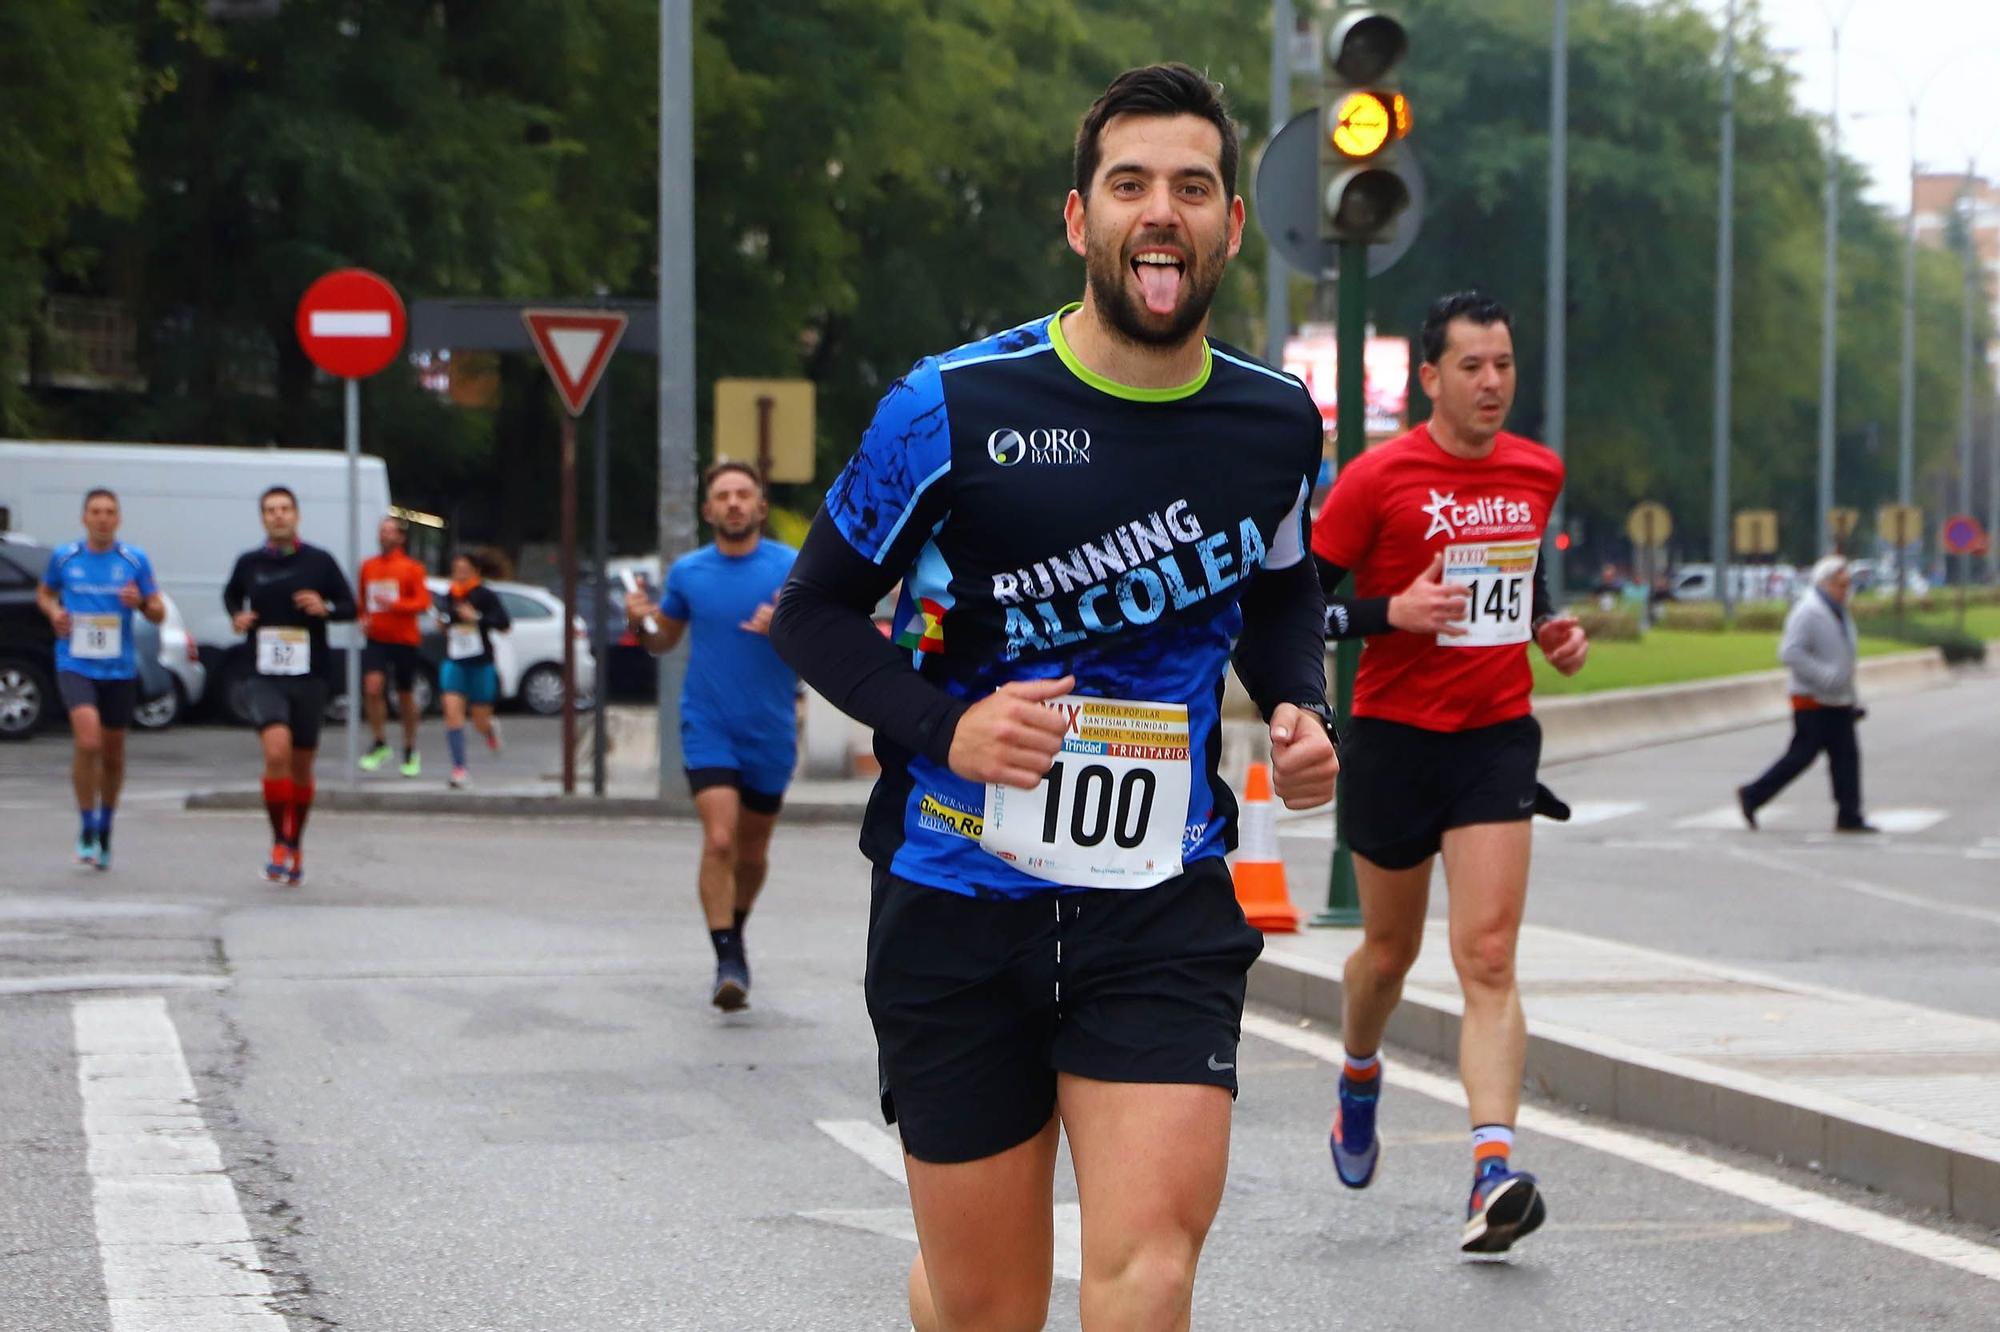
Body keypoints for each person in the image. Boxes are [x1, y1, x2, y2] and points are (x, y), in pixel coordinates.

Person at [770, 64, 1337, 1331]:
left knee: (1143, 1285)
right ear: (1078, 220)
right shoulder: (950, 408)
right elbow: (810, 614)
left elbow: (1284, 589)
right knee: (986, 1308)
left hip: (1160, 906)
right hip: (959, 896)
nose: (1161, 212)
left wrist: (1299, 706)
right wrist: (945, 727)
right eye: (1128, 184)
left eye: (1192, 188)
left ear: (1230, 226)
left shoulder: (1274, 424)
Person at [1310, 291, 1589, 1255]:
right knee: (1388, 958)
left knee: (1491, 956)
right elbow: (1299, 610)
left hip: (1494, 736)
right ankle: (1357, 1070)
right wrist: (1392, 615)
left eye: (1504, 365)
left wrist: (1552, 627)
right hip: (1394, 737)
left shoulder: (1537, 470)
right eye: (1472, 367)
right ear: (1430, 377)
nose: (1492, 384)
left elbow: (1524, 581)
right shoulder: (1375, 480)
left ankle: (1491, 1171)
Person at [624, 461, 799, 1013]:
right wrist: (640, 622)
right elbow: (661, 639)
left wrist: (786, 628)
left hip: (770, 729)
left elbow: (826, 641)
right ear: (708, 510)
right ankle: (726, 957)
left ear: (760, 506)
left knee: (752, 850)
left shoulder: (792, 568)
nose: (733, 503)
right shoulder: (689, 572)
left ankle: (736, 930)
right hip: (708, 723)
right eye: (722, 495)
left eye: (743, 494)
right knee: (720, 840)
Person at [224, 486, 357, 886]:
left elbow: (350, 606)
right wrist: (237, 617)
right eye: (270, 510)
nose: (278, 516)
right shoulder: (250, 563)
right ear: (263, 518)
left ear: (296, 516)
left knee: (301, 767)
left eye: (284, 509)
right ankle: (279, 840)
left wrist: (325, 608)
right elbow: (231, 595)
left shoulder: (319, 562)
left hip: (310, 674)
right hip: (263, 672)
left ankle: (294, 843)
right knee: (276, 749)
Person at [35, 488, 165, 870]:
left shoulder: (133, 559)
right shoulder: (65, 557)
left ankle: (106, 825)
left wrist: (140, 602)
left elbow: (157, 611)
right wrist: (53, 612)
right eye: (96, 512)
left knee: (112, 753)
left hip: (118, 668)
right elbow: (44, 593)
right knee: (87, 740)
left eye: (110, 512)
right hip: (75, 662)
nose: (103, 518)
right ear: (84, 518)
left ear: (118, 519)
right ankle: (86, 823)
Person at [1736, 555, 1875, 833]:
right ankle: (1753, 794)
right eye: (1840, 584)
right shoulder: (1808, 612)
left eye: (1847, 584)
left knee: (1846, 757)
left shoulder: (1839, 611)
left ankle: (1849, 814)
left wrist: (1849, 695)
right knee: (1802, 755)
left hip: (1837, 699)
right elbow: (1790, 652)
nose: (1845, 590)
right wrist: (1824, 676)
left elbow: (1844, 655)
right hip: (1811, 698)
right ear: (1824, 583)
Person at [356, 515, 431, 777]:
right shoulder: (368, 566)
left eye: (390, 531)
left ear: (400, 537)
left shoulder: (412, 568)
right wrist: (362, 618)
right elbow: (362, 602)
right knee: (372, 687)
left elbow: (422, 602)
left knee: (405, 694)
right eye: (381, 531)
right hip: (376, 638)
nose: (384, 535)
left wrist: (395, 605)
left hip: (404, 639)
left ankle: (410, 748)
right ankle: (379, 742)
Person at [436, 549, 511, 789]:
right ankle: (459, 769)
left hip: (481, 663)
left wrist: (476, 617)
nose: (460, 575)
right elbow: (447, 621)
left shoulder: (485, 595)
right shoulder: (449, 595)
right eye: (456, 571)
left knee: (479, 720)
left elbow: (504, 624)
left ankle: (489, 729)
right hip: (455, 661)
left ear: (475, 572)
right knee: (452, 712)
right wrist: (443, 623)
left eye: (464, 571)